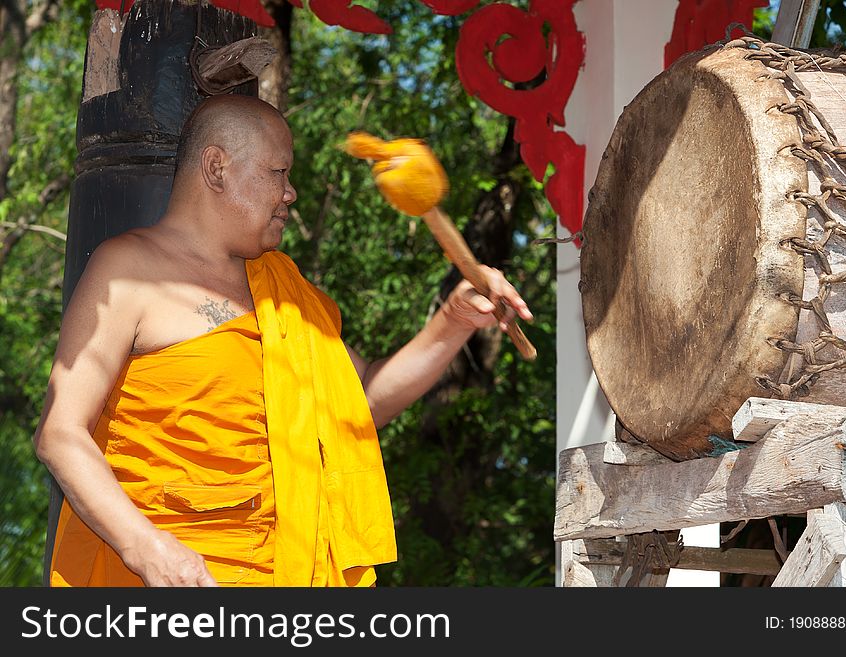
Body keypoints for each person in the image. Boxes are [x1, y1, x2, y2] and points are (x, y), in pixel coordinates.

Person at [32, 94, 532, 587]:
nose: (290, 192)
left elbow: (363, 402)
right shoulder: (129, 270)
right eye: (278, 173)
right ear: (216, 167)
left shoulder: (285, 292)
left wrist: (453, 321)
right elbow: (61, 433)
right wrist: (147, 547)